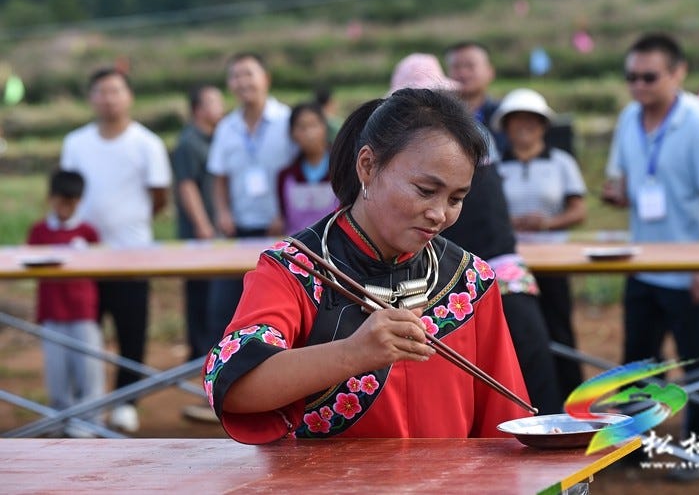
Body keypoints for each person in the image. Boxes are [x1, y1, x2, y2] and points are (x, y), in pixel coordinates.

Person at [203, 88, 530, 444]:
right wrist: (352, 354)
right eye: (424, 190)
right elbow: (230, 384)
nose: (439, 214)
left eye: (456, 199)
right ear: (368, 165)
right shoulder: (294, 269)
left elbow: (506, 427)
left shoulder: (470, 282)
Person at [391, 53, 562, 414]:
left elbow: (479, 221)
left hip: (469, 269)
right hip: (448, 271)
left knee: (525, 356)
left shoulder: (465, 137)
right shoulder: (403, 145)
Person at [601, 33, 699, 479]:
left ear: (678, 73)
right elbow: (625, 184)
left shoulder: (698, 122)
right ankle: (634, 447)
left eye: (649, 77)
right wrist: (617, 195)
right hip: (643, 266)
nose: (638, 85)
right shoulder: (628, 119)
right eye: (631, 77)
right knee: (637, 366)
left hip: (690, 271)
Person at [60, 67, 172, 433]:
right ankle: (86, 402)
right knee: (83, 330)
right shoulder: (75, 143)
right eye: (101, 92)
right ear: (91, 98)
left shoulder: (147, 143)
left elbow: (159, 197)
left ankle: (126, 400)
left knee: (131, 330)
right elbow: (68, 194)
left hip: (132, 254)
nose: (108, 98)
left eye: (115, 91)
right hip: (84, 256)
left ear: (129, 96)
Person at [491, 88, 587, 402]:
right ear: (505, 127)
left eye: (531, 121)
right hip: (511, 264)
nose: (524, 127)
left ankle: (572, 404)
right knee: (521, 336)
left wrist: (547, 223)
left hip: (554, 261)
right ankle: (531, 403)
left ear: (543, 125)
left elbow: (579, 210)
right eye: (516, 122)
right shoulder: (494, 168)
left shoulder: (561, 162)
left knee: (560, 329)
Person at [206, 52, 298, 336]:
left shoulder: (287, 121)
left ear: (265, 79)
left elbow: (298, 172)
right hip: (238, 229)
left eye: (249, 74)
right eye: (236, 76)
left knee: (275, 304)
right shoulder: (226, 128)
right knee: (223, 309)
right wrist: (222, 212)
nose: (243, 81)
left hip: (279, 231)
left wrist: (284, 214)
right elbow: (219, 177)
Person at [27, 170, 105, 437]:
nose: (64, 208)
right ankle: (59, 421)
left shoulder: (88, 232)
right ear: (51, 199)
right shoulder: (38, 232)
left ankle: (90, 422)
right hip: (51, 312)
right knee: (56, 373)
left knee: (89, 370)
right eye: (60, 201)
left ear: (79, 201)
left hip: (83, 312)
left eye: (70, 203)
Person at [171, 84, 226, 423]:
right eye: (214, 102)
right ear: (198, 109)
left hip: (218, 237)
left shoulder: (216, 138)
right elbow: (186, 185)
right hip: (200, 238)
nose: (221, 107)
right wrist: (203, 224)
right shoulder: (189, 142)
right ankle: (205, 382)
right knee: (204, 308)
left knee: (213, 306)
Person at [277, 102, 338, 235]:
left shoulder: (341, 170)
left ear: (324, 128)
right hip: (296, 250)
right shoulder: (285, 176)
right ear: (292, 133)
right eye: (302, 127)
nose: (309, 133)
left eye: (313, 125)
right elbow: (282, 217)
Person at [444, 41, 507, 154]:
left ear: (490, 72)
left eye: (470, 66)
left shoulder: (505, 115)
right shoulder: (438, 115)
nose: (463, 73)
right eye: (456, 67)